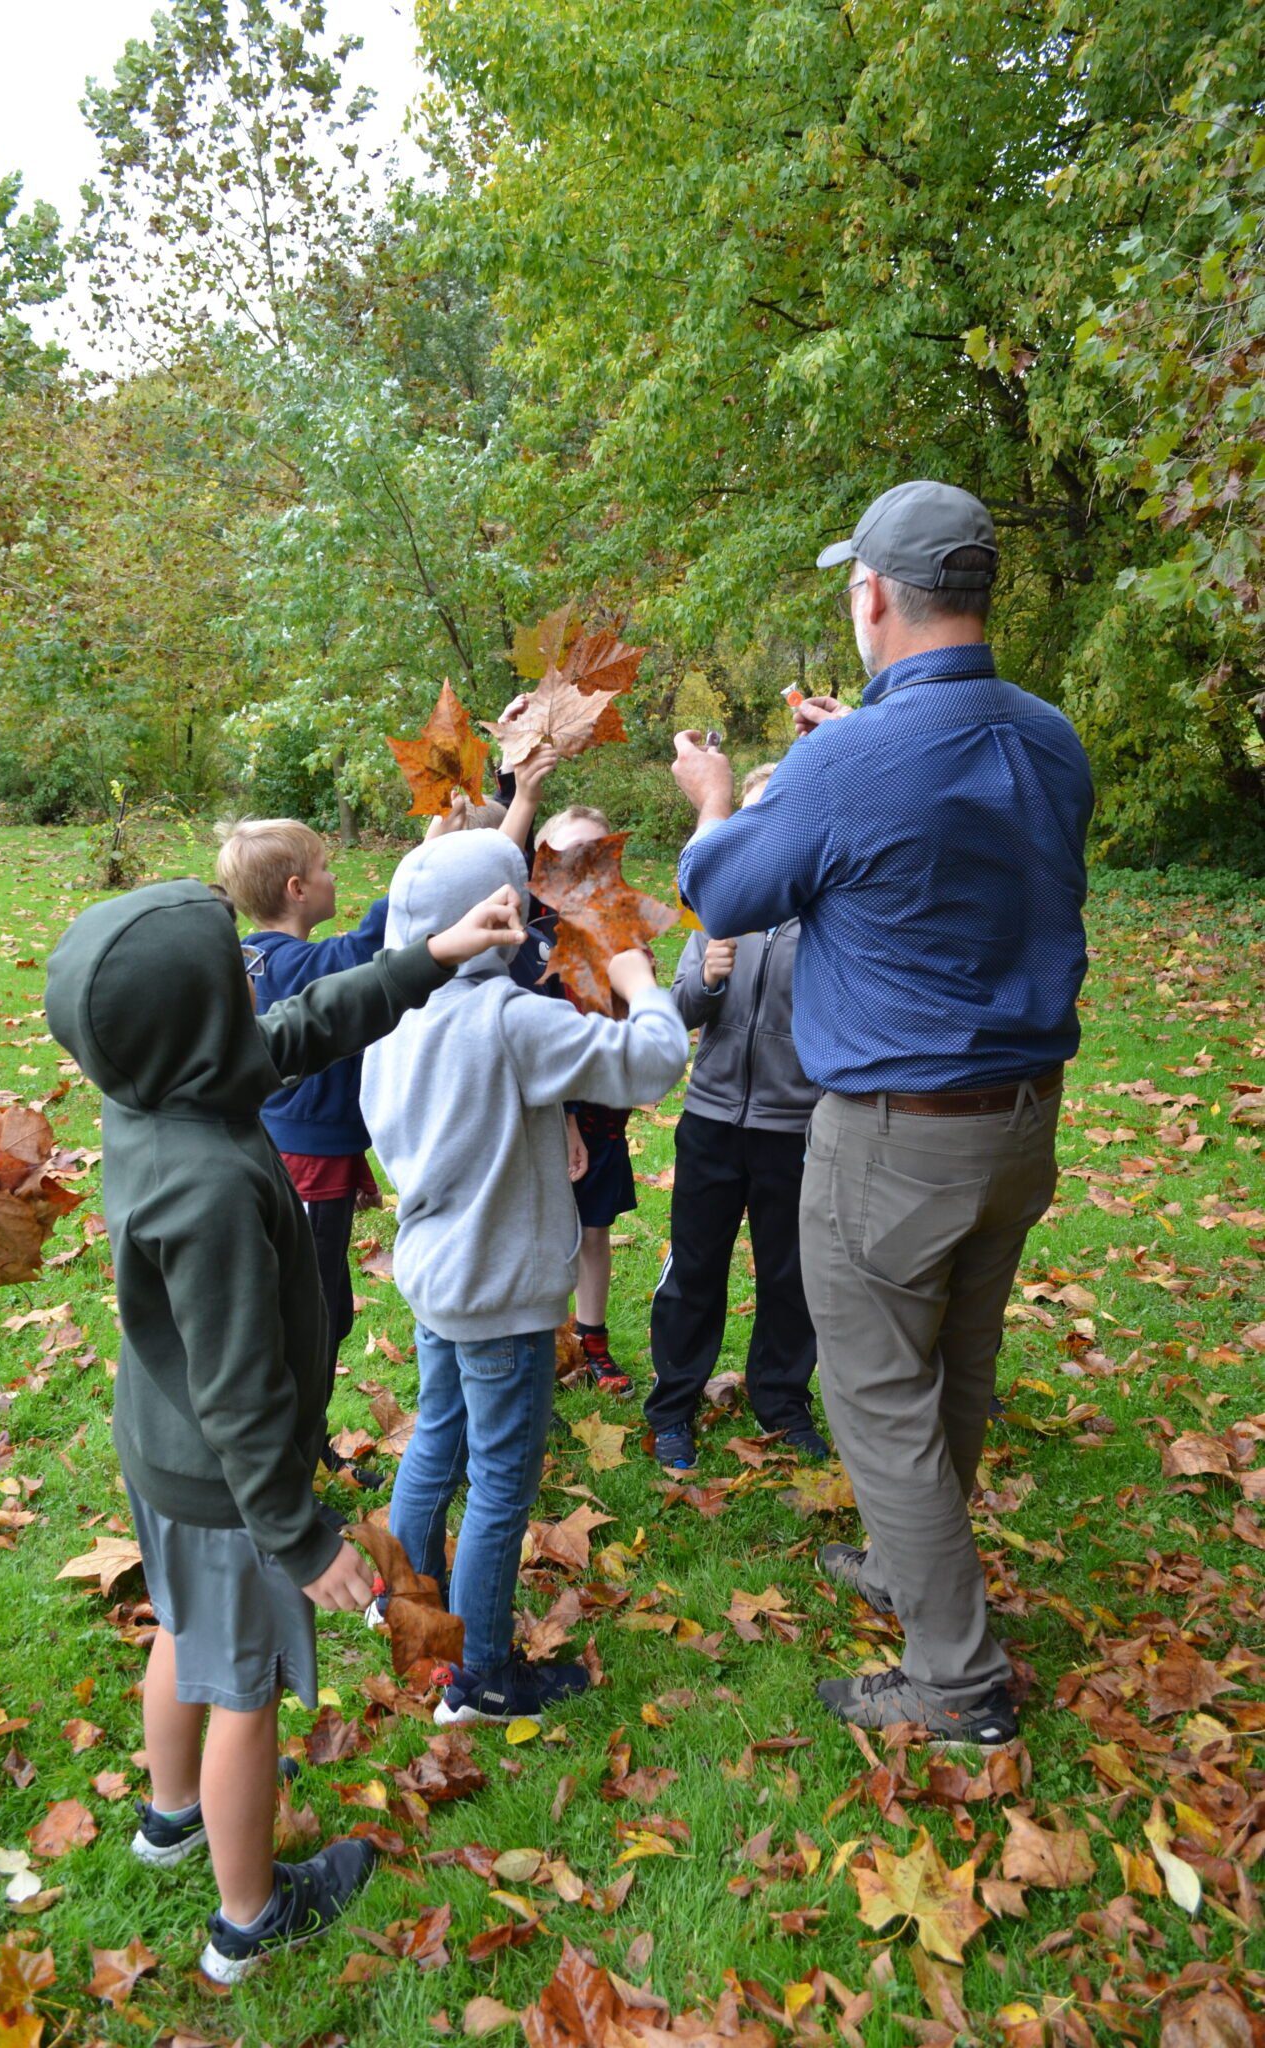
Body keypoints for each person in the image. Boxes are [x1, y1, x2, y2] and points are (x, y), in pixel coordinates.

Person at [672, 479, 1094, 1748]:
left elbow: (726, 892)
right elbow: (942, 825)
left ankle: (957, 1678)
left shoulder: (847, 761)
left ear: (871, 596)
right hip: (1021, 1124)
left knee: (879, 1397)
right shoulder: (1047, 736)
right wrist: (839, 752)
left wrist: (717, 798)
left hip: (898, 1134)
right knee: (954, 1366)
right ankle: (919, 1568)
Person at [44, 874, 523, 1981]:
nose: (252, 980)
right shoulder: (205, 1181)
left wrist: (431, 954)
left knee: (183, 1629)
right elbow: (240, 1390)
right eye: (230, 973)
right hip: (227, 1485)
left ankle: (170, 1818)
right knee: (246, 1689)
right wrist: (301, 1540)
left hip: (162, 1454)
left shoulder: (163, 1087)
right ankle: (249, 1916)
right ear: (201, 1012)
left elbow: (304, 1027)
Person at [360, 830, 689, 1725]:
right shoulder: (509, 1021)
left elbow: (467, 1114)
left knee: (437, 1436)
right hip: (500, 1289)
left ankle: (406, 1605)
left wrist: (544, 1124)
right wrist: (639, 983)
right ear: (500, 919)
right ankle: (485, 1678)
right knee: (502, 1483)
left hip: (435, 1273)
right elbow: (655, 1061)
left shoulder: (390, 1014)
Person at [647, 763, 828, 1471]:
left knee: (790, 1275)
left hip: (795, 1126)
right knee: (694, 1269)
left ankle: (782, 1403)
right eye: (748, 819)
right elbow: (679, 1007)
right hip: (713, 1117)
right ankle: (673, 1405)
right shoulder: (719, 906)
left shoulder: (827, 910)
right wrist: (705, 976)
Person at [215, 819, 389, 1485]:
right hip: (307, 1174)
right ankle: (289, 1474)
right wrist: (441, 839)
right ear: (296, 889)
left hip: (311, 1160)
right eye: (324, 867)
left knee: (326, 1309)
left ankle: (308, 1448)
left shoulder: (254, 958)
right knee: (309, 1323)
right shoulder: (305, 965)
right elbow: (383, 930)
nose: (333, 877)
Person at [529, 803, 641, 1396]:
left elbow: (634, 1019)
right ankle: (545, 1344)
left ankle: (591, 1341)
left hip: (602, 1112)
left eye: (598, 852)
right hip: (543, 1110)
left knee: (594, 1229)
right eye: (569, 853)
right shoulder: (527, 928)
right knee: (544, 1229)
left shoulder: (621, 926)